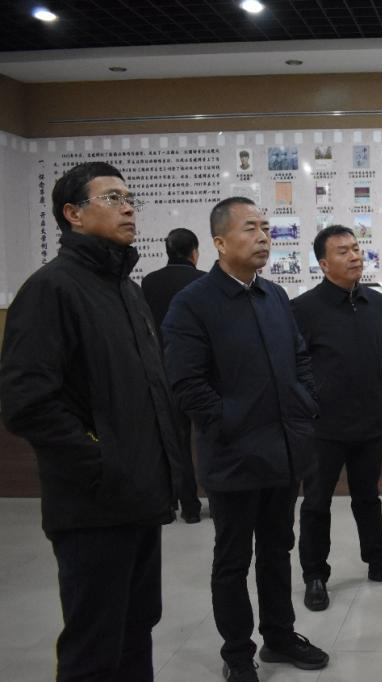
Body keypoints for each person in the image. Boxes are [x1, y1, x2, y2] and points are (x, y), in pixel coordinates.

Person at [0, 161, 179, 680]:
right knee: (95, 645)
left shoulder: (127, 290)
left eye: (130, 198)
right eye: (112, 198)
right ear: (73, 214)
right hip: (94, 505)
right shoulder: (51, 289)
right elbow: (26, 401)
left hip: (141, 497)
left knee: (137, 627)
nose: (128, 208)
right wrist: (101, 462)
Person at [162, 197, 328, 680]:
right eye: (250, 228)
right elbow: (186, 384)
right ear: (219, 242)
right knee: (233, 561)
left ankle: (280, 636)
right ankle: (238, 654)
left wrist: (304, 405)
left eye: (266, 228)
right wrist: (229, 423)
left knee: (277, 551)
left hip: (283, 452)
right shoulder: (192, 303)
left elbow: (299, 358)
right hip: (233, 457)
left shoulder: (273, 295)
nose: (263, 237)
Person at [292, 225, 382, 614]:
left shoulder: (376, 302)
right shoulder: (302, 309)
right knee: (317, 502)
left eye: (356, 248)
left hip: (368, 419)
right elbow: (295, 367)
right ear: (323, 263)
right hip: (323, 426)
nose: (354, 256)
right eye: (343, 251)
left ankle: (378, 560)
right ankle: (315, 574)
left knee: (368, 496)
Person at [141, 227, 205, 524]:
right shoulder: (204, 281)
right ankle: (218, 502)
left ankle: (187, 507)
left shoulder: (149, 282)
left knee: (175, 442)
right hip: (201, 372)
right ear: (194, 252)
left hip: (164, 370)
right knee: (207, 438)